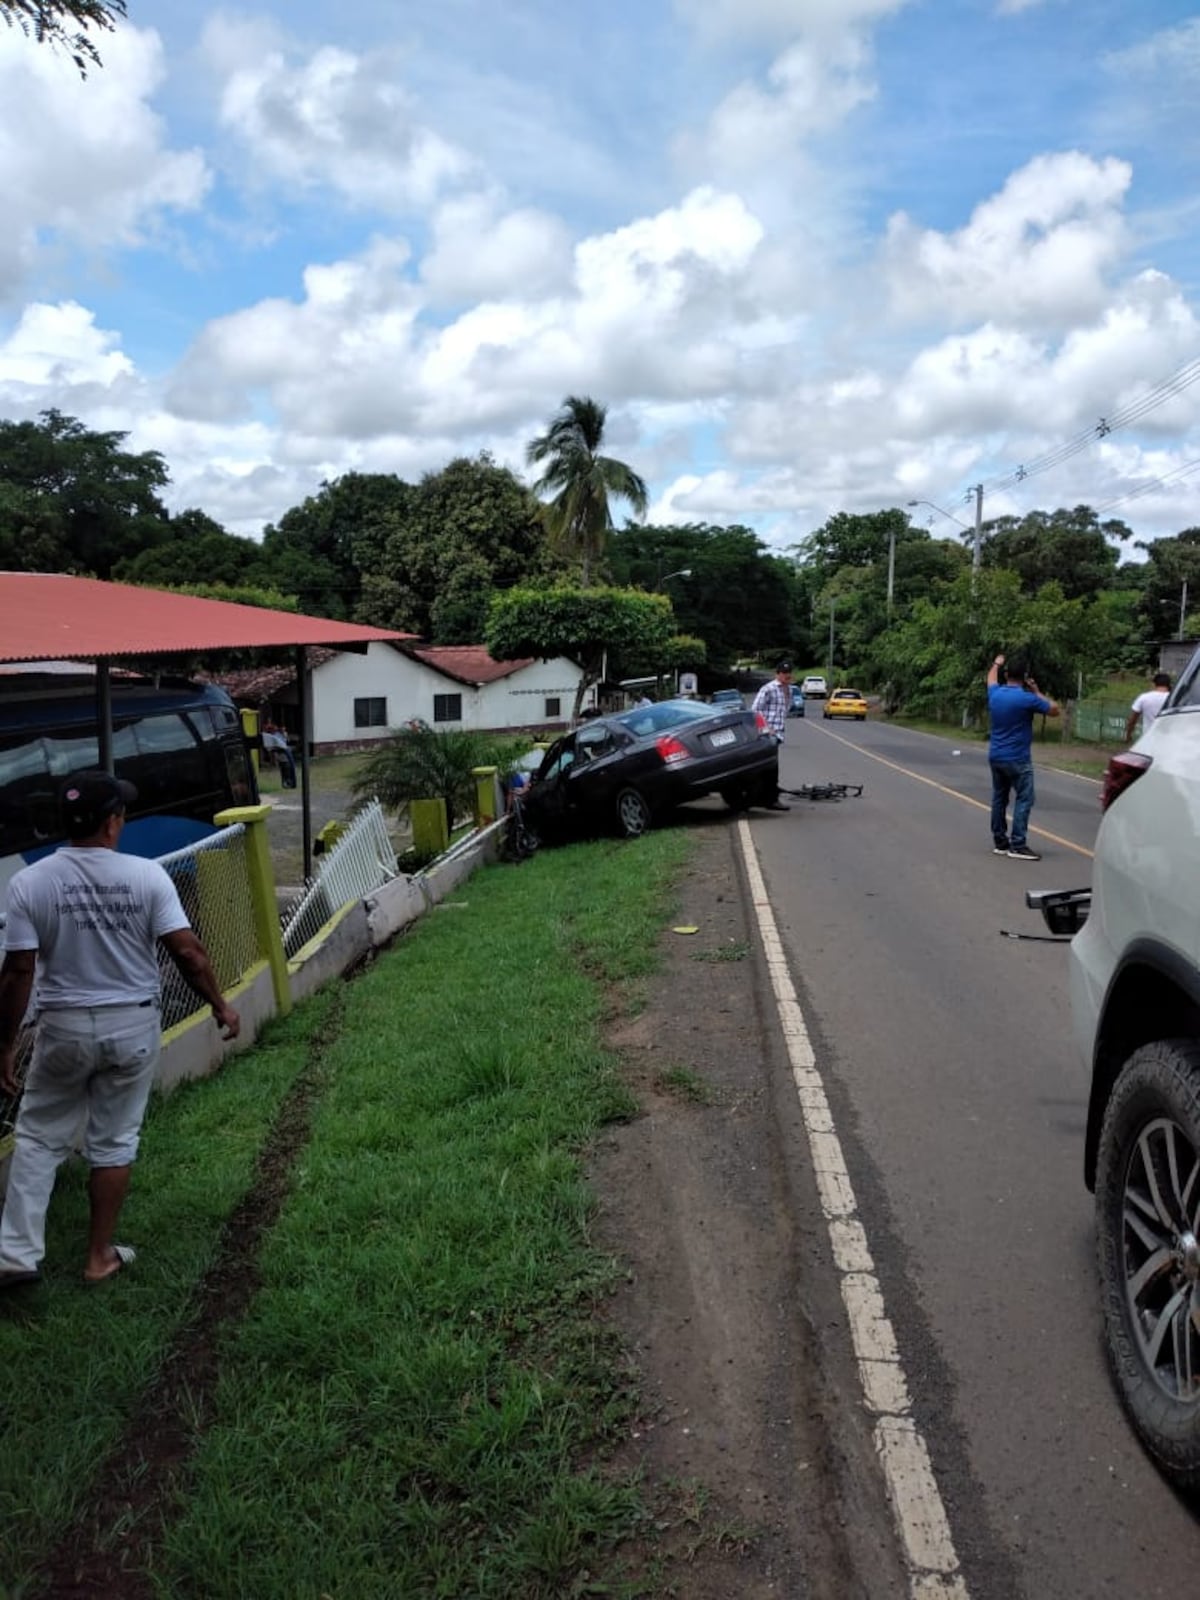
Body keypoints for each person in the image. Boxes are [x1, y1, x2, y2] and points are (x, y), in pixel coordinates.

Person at [0, 771, 240, 1290]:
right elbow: (189, 953)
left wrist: (4, 1045)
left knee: (38, 1138)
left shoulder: (29, 883)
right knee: (113, 1143)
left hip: (62, 1028)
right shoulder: (146, 876)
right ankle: (98, 1257)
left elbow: (18, 971)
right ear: (112, 823)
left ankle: (16, 1256)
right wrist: (220, 1005)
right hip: (132, 1025)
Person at [986, 653, 1060, 861]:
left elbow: (990, 679)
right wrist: (1036, 691)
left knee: (999, 798)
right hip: (1018, 758)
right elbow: (1055, 710)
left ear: (1007, 675)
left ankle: (1000, 842)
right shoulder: (1028, 699)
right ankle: (1018, 844)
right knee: (1025, 798)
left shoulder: (995, 693)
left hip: (996, 755)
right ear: (1025, 677)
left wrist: (996, 663)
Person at [750, 661, 792, 811]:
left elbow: (785, 710)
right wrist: (767, 728)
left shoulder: (788, 690)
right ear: (777, 674)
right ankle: (770, 800)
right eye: (784, 673)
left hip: (778, 734)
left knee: (770, 767)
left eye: (789, 673)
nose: (787, 675)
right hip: (767, 734)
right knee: (771, 768)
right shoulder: (768, 689)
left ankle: (765, 798)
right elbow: (755, 710)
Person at [1125, 672, 1171, 743]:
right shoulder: (1174, 699)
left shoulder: (1144, 698)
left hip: (1148, 739)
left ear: (1154, 684)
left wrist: (1128, 735)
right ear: (1169, 685)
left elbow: (1132, 720)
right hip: (1169, 739)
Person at [261, 720, 296, 789]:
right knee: (284, 769)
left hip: (284, 754)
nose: (283, 729)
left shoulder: (281, 734)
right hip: (281, 754)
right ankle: (285, 782)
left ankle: (288, 782)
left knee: (287, 768)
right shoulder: (273, 735)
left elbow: (286, 741)